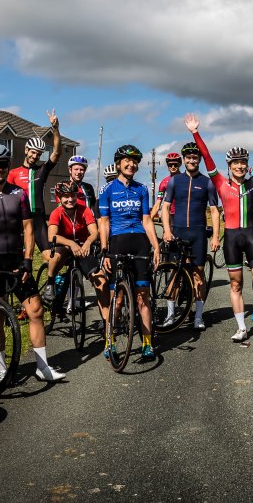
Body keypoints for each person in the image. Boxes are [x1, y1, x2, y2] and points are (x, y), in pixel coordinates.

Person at [0, 144, 65, 382]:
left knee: (35, 310)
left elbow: (29, 229)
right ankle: (0, 369)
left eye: (3, 165)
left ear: (8, 166)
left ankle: (42, 367)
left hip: (17, 259)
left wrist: (28, 259)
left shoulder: (19, 194)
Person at [185, 112, 253, 347]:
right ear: (229, 166)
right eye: (235, 163)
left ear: (246, 165)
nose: (239, 166)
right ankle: (241, 328)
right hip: (231, 236)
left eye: (243, 162)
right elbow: (207, 156)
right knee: (235, 284)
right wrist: (195, 133)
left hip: (252, 235)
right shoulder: (220, 183)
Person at [98, 144, 161, 360]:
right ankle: (110, 341)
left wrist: (156, 246)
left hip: (139, 241)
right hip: (117, 241)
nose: (131, 164)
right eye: (127, 160)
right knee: (117, 298)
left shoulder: (141, 189)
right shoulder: (107, 190)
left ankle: (147, 343)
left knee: (142, 296)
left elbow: (147, 220)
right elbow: (104, 222)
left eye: (135, 161)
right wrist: (105, 250)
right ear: (118, 164)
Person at [160, 141, 221, 329]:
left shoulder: (207, 182)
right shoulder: (174, 181)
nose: (192, 160)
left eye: (195, 157)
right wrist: (167, 230)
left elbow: (215, 211)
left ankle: (198, 316)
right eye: (189, 157)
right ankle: (171, 315)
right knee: (174, 275)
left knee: (198, 275)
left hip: (198, 233)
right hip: (177, 233)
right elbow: (166, 206)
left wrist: (216, 236)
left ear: (199, 159)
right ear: (184, 160)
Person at [7, 110, 62, 259]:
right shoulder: (13, 173)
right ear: (26, 150)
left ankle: (51, 281)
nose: (35, 156)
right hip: (18, 218)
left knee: (50, 256)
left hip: (38, 218)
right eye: (33, 152)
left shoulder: (41, 171)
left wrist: (55, 129)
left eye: (38, 154)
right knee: (18, 258)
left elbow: (57, 153)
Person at [46, 181, 102, 320]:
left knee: (96, 273)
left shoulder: (85, 210)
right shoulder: (56, 213)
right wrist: (70, 243)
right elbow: (51, 236)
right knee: (56, 257)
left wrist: (88, 242)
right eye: (65, 196)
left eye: (72, 196)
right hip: (64, 244)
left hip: (82, 245)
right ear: (59, 197)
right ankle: (50, 282)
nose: (70, 199)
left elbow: (95, 232)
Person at [150, 152, 182, 222]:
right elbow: (158, 203)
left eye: (175, 164)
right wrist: (149, 221)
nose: (173, 167)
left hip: (184, 215)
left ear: (180, 164)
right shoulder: (164, 182)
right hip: (170, 215)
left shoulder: (186, 179)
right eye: (170, 165)